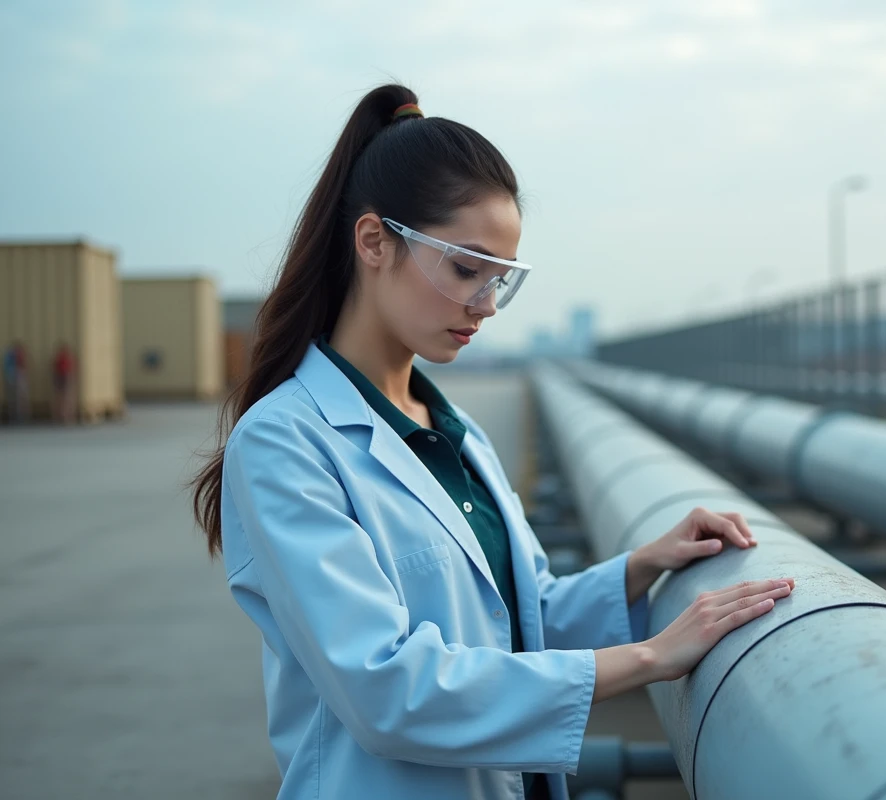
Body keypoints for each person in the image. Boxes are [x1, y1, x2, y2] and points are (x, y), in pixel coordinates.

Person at [190, 84, 793, 800]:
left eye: (500, 280)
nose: (485, 306)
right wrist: (650, 658)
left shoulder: (455, 431)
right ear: (374, 241)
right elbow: (387, 690)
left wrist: (643, 566)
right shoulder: (286, 443)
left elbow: (521, 618)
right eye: (465, 268)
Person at [3, 340, 30, 424]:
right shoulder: (10, 357)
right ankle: (14, 416)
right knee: (14, 399)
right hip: (12, 380)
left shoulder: (18, 357)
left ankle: (21, 416)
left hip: (17, 379)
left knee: (21, 399)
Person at [52, 342, 77, 424]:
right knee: (62, 398)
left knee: (67, 398)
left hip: (66, 378)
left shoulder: (66, 359)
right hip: (61, 378)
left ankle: (67, 416)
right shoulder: (60, 359)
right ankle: (62, 416)